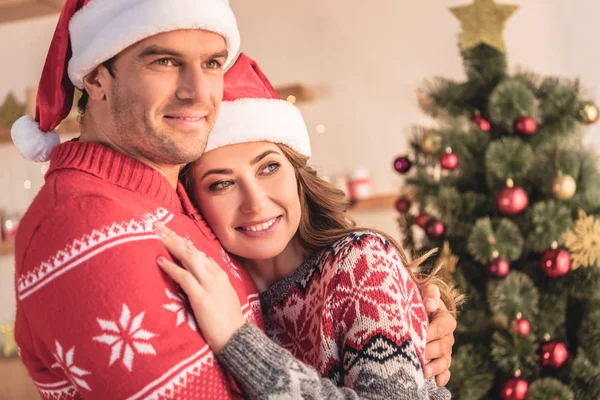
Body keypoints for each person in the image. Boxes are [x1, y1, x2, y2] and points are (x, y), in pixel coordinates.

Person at [10, 1, 456, 398]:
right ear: (96, 77)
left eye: (212, 63)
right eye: (164, 61)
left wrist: (412, 316)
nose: (199, 91)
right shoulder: (85, 225)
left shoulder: (172, 207)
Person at [155, 53, 461, 399]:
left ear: (297, 175)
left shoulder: (360, 263)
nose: (255, 202)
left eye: (269, 167)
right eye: (222, 184)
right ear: (195, 203)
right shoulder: (221, 289)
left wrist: (238, 341)